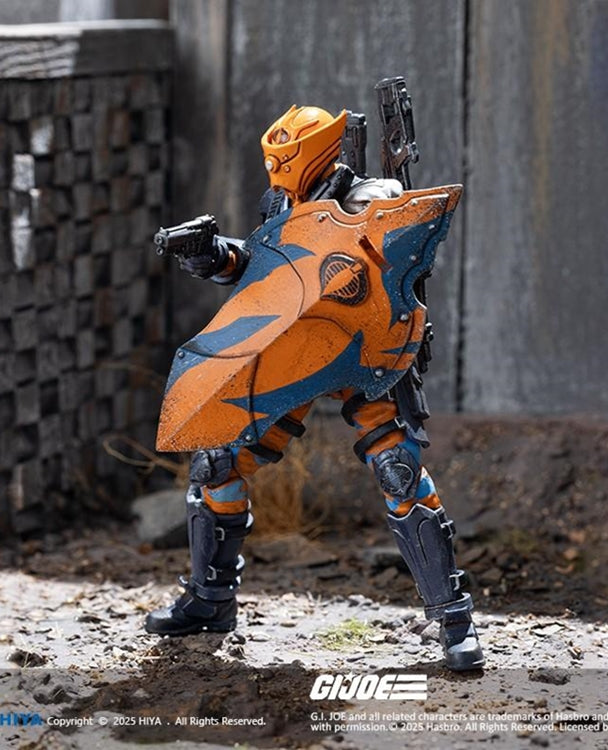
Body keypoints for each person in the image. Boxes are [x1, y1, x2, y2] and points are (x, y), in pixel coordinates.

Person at [145, 105, 485, 671]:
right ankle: (209, 602)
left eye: (286, 158)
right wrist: (213, 254)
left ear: (317, 150)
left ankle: (454, 622)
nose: (278, 169)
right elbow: (266, 273)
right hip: (298, 354)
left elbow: (381, 264)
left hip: (362, 353)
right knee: (217, 465)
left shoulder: (371, 197)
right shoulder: (280, 206)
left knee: (397, 472)